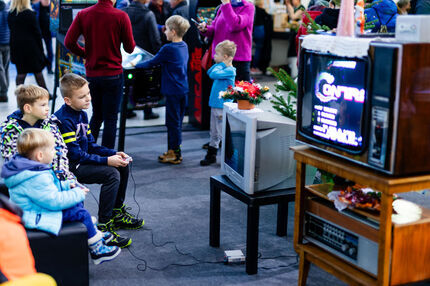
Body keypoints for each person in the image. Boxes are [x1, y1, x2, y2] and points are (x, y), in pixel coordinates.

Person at [1, 128, 121, 265]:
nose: (55, 152)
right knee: (80, 213)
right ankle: (97, 249)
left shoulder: (30, 169)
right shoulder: (36, 176)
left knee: (75, 206)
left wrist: (66, 185)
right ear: (40, 155)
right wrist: (77, 193)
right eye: (52, 149)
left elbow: (47, 190)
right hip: (34, 216)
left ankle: (92, 231)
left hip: (35, 208)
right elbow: (53, 201)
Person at [54, 73, 143, 248]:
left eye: (88, 93)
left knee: (121, 165)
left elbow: (91, 145)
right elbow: (76, 155)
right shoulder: (64, 120)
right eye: (82, 96)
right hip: (71, 167)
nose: (88, 98)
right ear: (67, 100)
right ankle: (104, 224)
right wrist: (106, 161)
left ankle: (117, 213)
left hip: (81, 160)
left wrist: (114, 153)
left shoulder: (82, 114)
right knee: (111, 173)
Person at [64, 0, 135, 149]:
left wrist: (86, 54)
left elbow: (69, 42)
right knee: (111, 118)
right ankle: (107, 156)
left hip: (92, 74)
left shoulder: (83, 14)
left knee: (96, 115)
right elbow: (129, 48)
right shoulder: (121, 16)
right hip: (113, 74)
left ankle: (88, 150)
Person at [136, 15, 190, 164]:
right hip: (183, 89)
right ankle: (174, 150)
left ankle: (174, 153)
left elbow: (152, 62)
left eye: (166, 30)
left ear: (172, 31)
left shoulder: (168, 48)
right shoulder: (184, 45)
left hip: (172, 91)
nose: (164, 32)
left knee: (172, 123)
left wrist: (135, 64)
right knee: (177, 121)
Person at [0, 85, 76, 183]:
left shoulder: (50, 124)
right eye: (43, 105)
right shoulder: (11, 130)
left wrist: (62, 177)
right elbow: (13, 160)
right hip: (27, 180)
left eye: (47, 104)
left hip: (56, 175)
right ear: (28, 108)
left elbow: (60, 152)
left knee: (77, 193)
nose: (48, 108)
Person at [122, 0, 161, 120]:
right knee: (145, 83)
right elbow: (155, 38)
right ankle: (147, 111)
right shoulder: (148, 14)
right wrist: (157, 55)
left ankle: (127, 110)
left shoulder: (123, 12)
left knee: (128, 82)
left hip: (127, 53)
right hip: (145, 55)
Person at [197, 0, 254, 82]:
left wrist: (226, 4)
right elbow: (214, 29)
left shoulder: (247, 7)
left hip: (238, 58)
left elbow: (235, 25)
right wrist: (205, 29)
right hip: (219, 57)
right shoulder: (222, 7)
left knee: (239, 92)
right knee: (218, 91)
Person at [200, 40, 236, 166]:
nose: (214, 56)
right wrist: (220, 64)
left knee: (222, 133)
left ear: (225, 57)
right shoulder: (222, 68)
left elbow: (213, 74)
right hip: (215, 104)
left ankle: (228, 158)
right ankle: (211, 155)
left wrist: (220, 65)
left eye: (217, 54)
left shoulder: (230, 71)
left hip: (222, 106)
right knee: (214, 132)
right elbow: (210, 71)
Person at [8, 0, 48, 92]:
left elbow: (11, 31)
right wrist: (41, 50)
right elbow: (37, 33)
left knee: (21, 74)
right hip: (32, 48)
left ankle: (20, 96)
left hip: (17, 48)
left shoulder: (11, 14)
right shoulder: (30, 14)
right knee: (38, 72)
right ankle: (46, 93)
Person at [251, 0, 272, 75]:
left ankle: (252, 67)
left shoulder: (252, 9)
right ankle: (255, 67)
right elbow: (269, 16)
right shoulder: (262, 10)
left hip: (253, 30)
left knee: (253, 49)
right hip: (260, 30)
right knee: (258, 50)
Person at [0, 0, 9, 102]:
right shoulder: (7, 8)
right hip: (7, 42)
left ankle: (3, 92)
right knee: (5, 68)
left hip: (2, 42)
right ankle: (4, 91)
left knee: (1, 68)